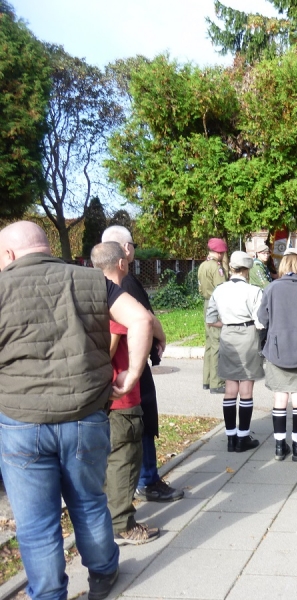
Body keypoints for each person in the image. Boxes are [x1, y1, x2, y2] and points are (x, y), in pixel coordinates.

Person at [0, 221, 153, 600]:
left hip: (21, 421)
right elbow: (141, 318)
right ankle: (103, 572)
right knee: (88, 501)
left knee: (36, 522)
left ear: (9, 254)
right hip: (86, 415)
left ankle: (49, 593)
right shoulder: (91, 280)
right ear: (46, 247)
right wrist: (132, 373)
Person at [101, 226, 184, 503]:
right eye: (133, 245)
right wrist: (160, 337)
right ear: (125, 251)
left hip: (110, 371)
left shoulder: (95, 285)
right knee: (141, 419)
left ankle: (140, 480)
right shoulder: (122, 284)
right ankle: (147, 480)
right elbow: (145, 318)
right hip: (126, 369)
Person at [90, 243, 159, 545]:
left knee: (107, 460)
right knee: (124, 460)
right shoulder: (117, 300)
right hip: (120, 396)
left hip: (99, 397)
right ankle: (122, 525)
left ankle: (108, 521)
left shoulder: (89, 296)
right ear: (121, 263)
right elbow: (112, 343)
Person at [257, 247, 297, 462]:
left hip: (277, 351)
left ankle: (280, 445)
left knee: (280, 398)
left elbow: (262, 319)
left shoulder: (272, 288)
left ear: (283, 266)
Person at [207, 251, 265, 452]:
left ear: (231, 268)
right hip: (248, 335)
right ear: (247, 269)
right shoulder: (254, 291)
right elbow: (260, 321)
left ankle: (230, 437)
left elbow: (210, 319)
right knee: (246, 389)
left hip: (228, 336)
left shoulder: (219, 290)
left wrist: (227, 323)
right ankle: (243, 437)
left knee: (230, 389)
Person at [198, 238, 228, 394]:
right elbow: (222, 289)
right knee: (217, 342)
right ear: (219, 252)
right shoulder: (217, 267)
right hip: (216, 305)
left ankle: (207, 379)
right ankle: (217, 383)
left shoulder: (203, 265)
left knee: (209, 342)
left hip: (206, 303)